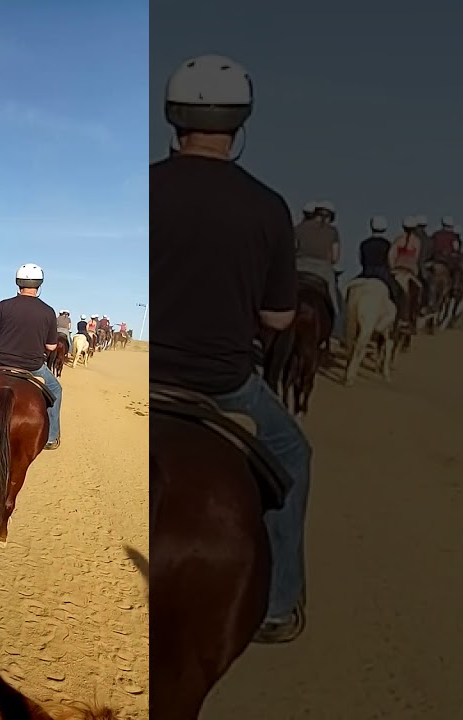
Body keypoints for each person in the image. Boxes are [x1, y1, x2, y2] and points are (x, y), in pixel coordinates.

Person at [152, 53, 313, 643]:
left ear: (173, 117)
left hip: (148, 374)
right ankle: (279, 603)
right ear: (239, 123)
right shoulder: (267, 206)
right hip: (223, 385)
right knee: (293, 454)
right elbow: (279, 316)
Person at [0, 263, 63, 451]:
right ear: (39, 285)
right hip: (33, 367)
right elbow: (51, 346)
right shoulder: (48, 311)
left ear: (18, 283)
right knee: (56, 390)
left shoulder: (4, 305)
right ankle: (51, 437)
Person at [293, 199, 344, 344]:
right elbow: (334, 258)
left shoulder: (298, 228)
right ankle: (335, 335)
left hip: (298, 267)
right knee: (336, 303)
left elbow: (292, 249)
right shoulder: (332, 231)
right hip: (322, 270)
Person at [360, 216, 406, 311]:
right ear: (384, 228)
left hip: (366, 273)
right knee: (399, 292)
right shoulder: (387, 244)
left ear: (371, 227)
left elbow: (361, 260)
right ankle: (399, 314)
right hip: (382, 274)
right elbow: (390, 261)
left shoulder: (364, 243)